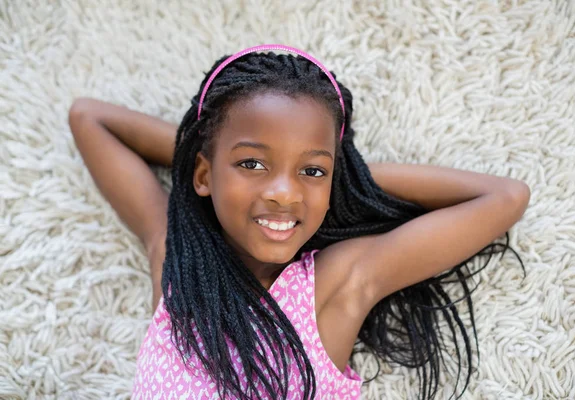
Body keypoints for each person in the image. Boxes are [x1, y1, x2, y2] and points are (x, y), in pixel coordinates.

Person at [67, 44, 530, 400]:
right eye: (253, 164)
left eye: (312, 171)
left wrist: (350, 180)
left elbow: (504, 197)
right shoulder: (177, 265)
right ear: (204, 175)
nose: (284, 192)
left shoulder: (334, 284)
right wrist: (206, 150)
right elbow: (89, 119)